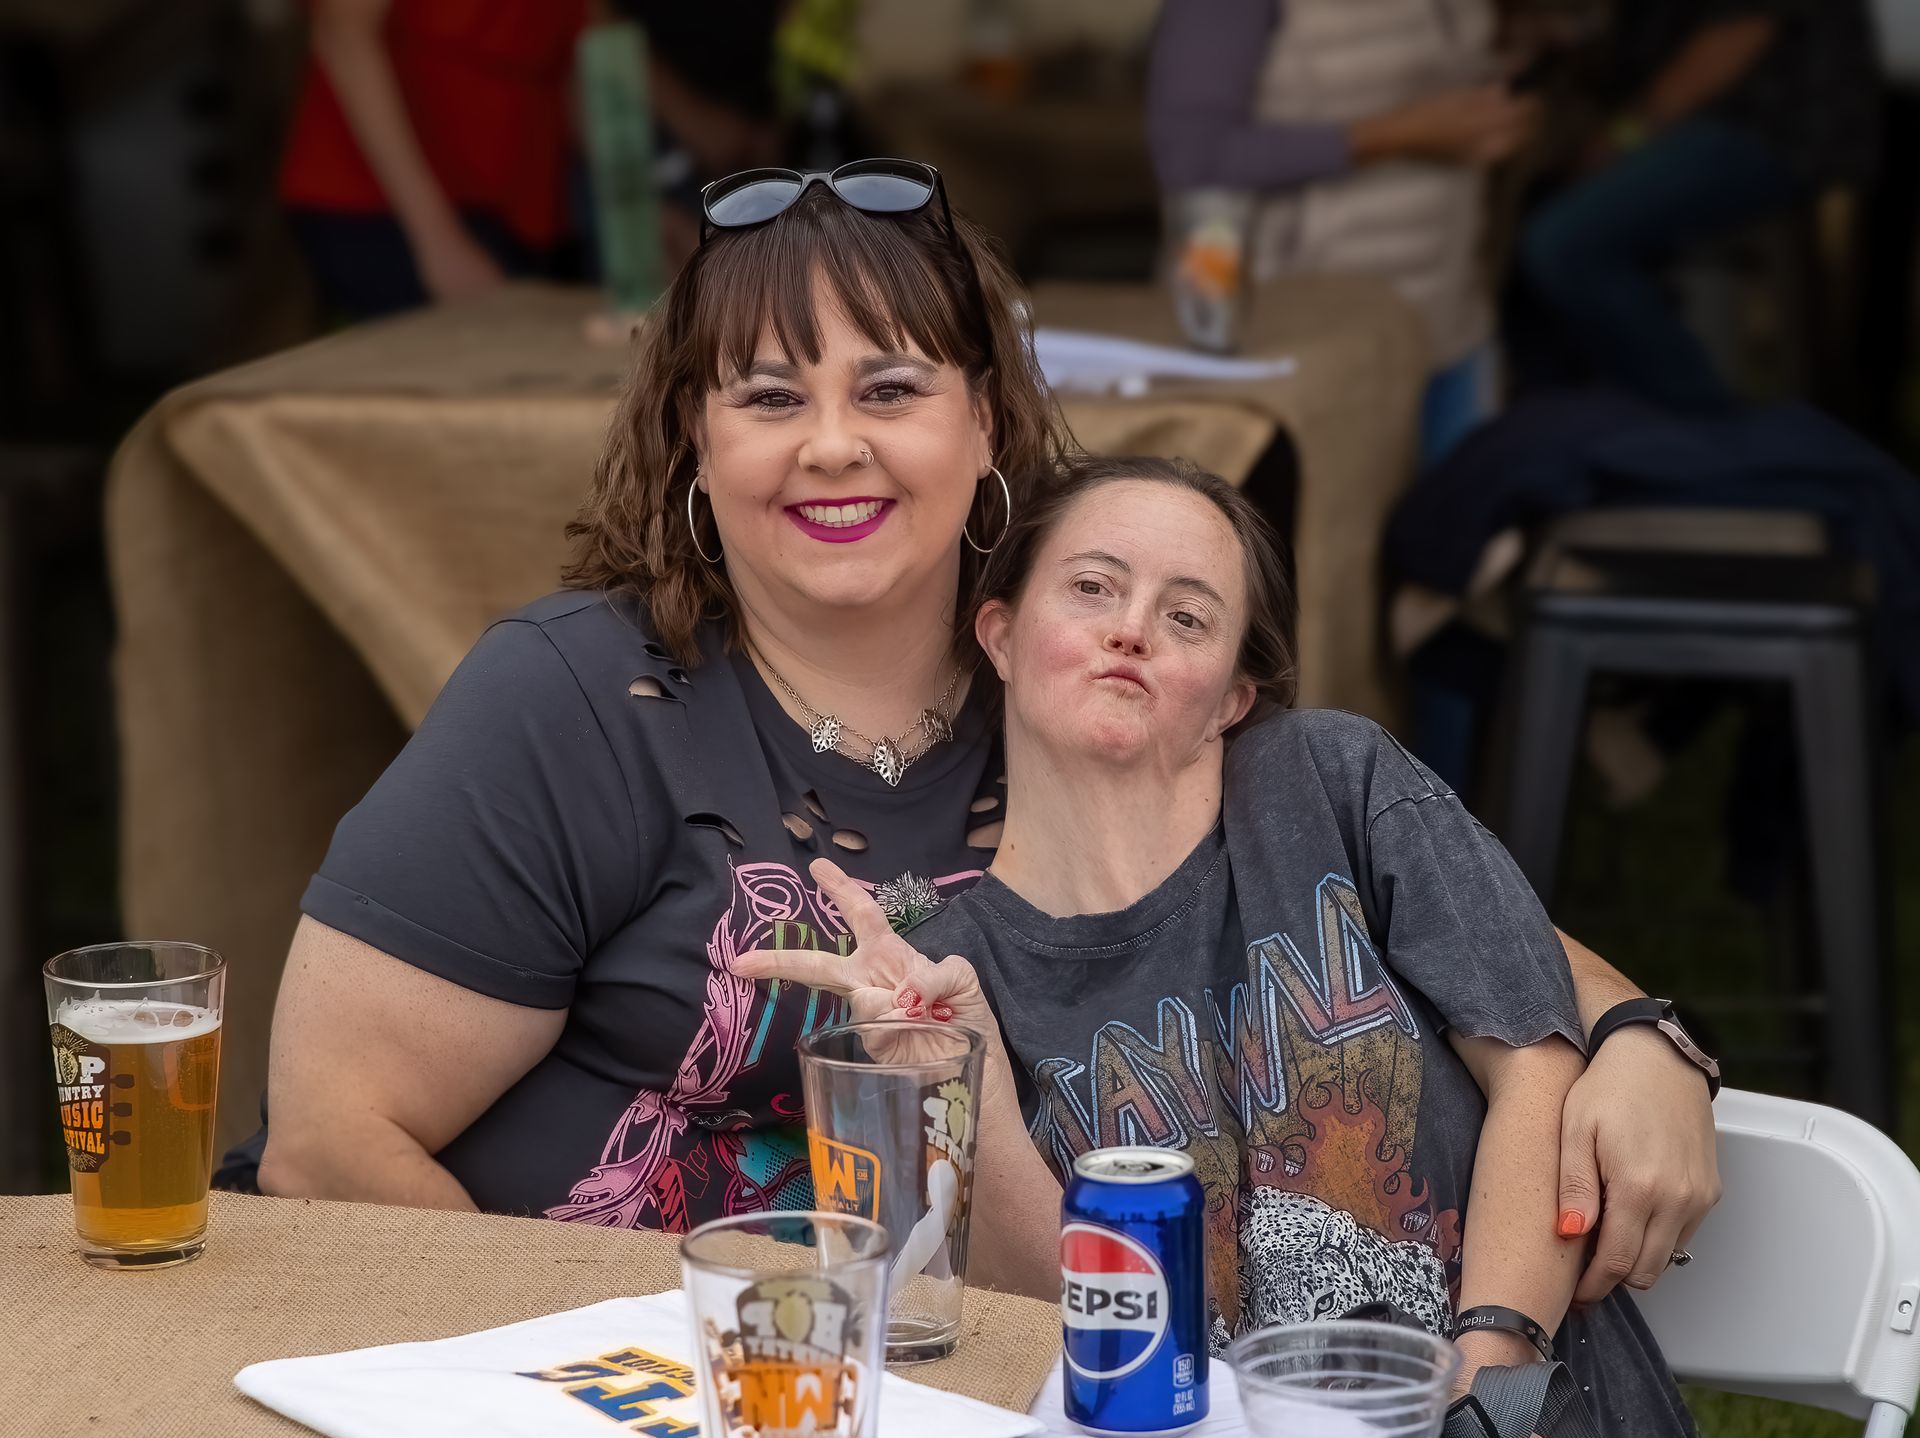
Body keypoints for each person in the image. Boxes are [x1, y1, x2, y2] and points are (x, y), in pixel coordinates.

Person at [240, 165, 1719, 1314]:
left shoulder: (1077, 676)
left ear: (988, 425)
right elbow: (327, 1139)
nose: (834, 444)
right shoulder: (573, 704)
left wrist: (1642, 1036)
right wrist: (579, 1392)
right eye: (770, 398)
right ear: (698, 445)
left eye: (890, 390)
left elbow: (1368, 876)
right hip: (584, 1391)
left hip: (992, 1393)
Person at [736, 456, 1725, 1438]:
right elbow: (1065, 1323)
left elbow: (1538, 1070)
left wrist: (1480, 1421)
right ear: (1001, 635)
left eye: (1189, 616)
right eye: (1093, 588)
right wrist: (962, 1081)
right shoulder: (946, 968)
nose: (1133, 630)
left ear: (1234, 696)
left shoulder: (1329, 786)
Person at [1148, 0, 1538, 463]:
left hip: (1450, 306)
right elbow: (1191, 157)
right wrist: (1396, 134)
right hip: (1300, 332)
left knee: (1466, 514)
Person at [1519, 0, 1881, 411]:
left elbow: (1740, 28)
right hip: (1694, 121)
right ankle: (1565, 427)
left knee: (1563, 244)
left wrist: (1623, 136)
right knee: (1540, 220)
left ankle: (1709, 429)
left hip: (1767, 125)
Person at [280, 0, 590, 317]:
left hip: (526, 209)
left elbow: (584, 67)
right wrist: (439, 243)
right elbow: (342, 34)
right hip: (380, 206)